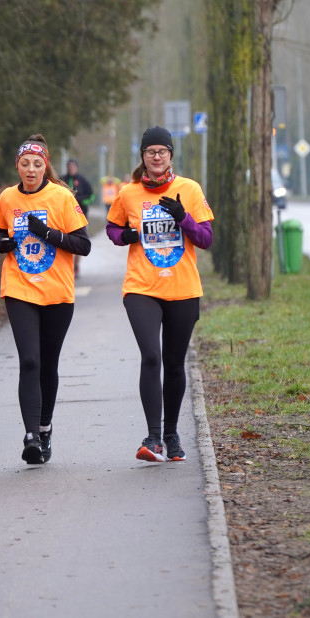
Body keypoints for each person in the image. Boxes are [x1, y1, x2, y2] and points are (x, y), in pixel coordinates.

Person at [105, 126, 214, 463]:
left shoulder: (189, 189)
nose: (156, 157)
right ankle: (152, 438)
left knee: (174, 363)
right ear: (142, 156)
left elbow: (206, 239)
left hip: (183, 288)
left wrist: (184, 219)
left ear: (170, 156)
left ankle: (171, 433)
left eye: (162, 151)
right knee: (151, 355)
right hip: (142, 287)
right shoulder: (128, 193)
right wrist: (129, 236)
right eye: (150, 151)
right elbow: (112, 229)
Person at [0, 135, 91, 464]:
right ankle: (31, 434)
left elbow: (83, 245)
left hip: (57, 291)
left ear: (45, 166)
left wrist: (47, 233)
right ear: (17, 167)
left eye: (37, 164)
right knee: (30, 361)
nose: (31, 170)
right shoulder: (7, 198)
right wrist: (2, 244)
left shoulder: (62, 197)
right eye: (25, 164)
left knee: (48, 364)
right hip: (19, 287)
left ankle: (46, 428)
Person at [62, 159, 94, 276]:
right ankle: (67, 266)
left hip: (81, 216)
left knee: (79, 242)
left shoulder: (83, 181)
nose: (71, 168)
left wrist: (83, 201)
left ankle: (76, 266)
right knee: (66, 242)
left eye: (73, 166)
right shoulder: (61, 180)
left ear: (77, 167)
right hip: (64, 217)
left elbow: (92, 196)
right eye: (69, 166)